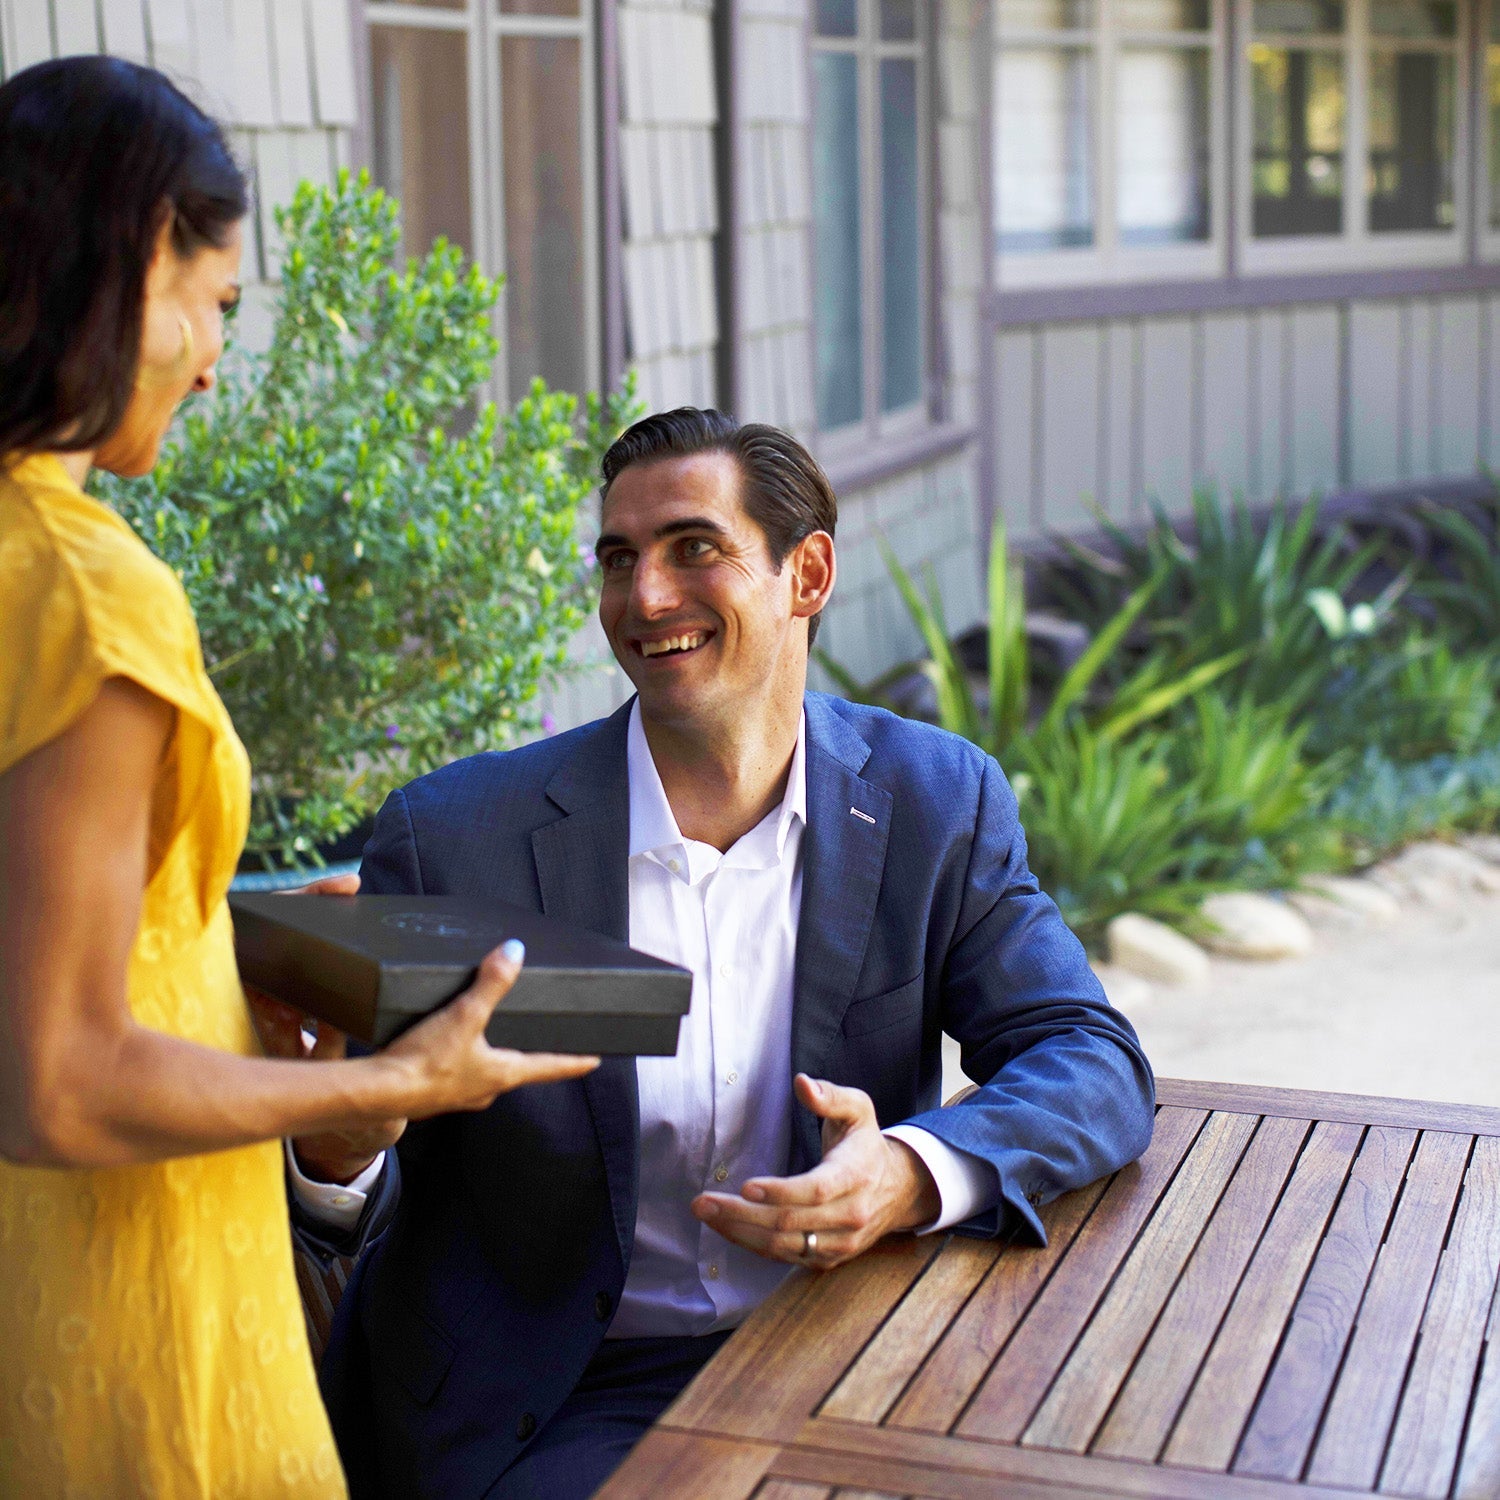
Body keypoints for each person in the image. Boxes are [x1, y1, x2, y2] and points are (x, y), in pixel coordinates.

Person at [292, 408, 1156, 1499]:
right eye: (620, 559)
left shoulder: (937, 802)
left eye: (693, 548)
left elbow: (1089, 1057)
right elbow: (351, 1196)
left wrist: (906, 1171)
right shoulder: (456, 837)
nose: (645, 597)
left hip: (847, 1348)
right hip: (554, 1394)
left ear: (808, 575)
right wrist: (340, 1147)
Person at [0, 57, 597, 1499]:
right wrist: (405, 1075)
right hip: (134, 1315)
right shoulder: (89, 596)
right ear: (140, 259)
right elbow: (62, 1082)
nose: (214, 360)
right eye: (216, 303)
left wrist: (226, 948)